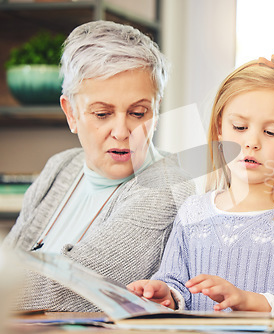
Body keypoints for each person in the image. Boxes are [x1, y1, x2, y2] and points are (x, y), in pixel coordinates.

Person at [3, 20, 195, 312]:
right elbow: (11, 260)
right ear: (72, 114)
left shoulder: (167, 187)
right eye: (103, 113)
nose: (121, 131)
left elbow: (75, 285)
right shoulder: (62, 167)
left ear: (156, 111)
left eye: (138, 112)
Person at [127, 55, 274, 317]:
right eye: (239, 127)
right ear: (220, 131)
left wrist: (249, 301)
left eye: (271, 132)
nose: (251, 142)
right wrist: (165, 294)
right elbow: (175, 284)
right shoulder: (192, 211)